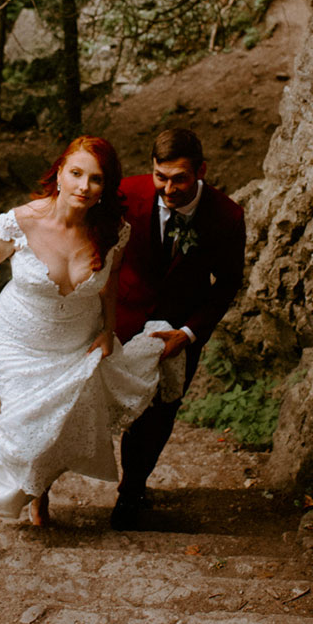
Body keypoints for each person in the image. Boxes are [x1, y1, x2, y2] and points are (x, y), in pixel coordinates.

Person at [0, 136, 169, 527]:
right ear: (59, 173)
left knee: (58, 424)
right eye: (76, 173)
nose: (84, 186)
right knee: (25, 424)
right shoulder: (20, 221)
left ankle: (40, 494)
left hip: (75, 339)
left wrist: (108, 329)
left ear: (106, 187)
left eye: (95, 179)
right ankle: (13, 482)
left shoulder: (113, 231)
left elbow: (111, 281)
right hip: (20, 337)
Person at [111, 127, 246, 529]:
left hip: (177, 332)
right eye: (160, 176)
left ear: (201, 171)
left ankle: (131, 491)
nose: (168, 188)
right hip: (120, 321)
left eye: (179, 178)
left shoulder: (227, 216)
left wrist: (188, 334)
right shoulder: (125, 195)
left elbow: (227, 283)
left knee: (158, 415)